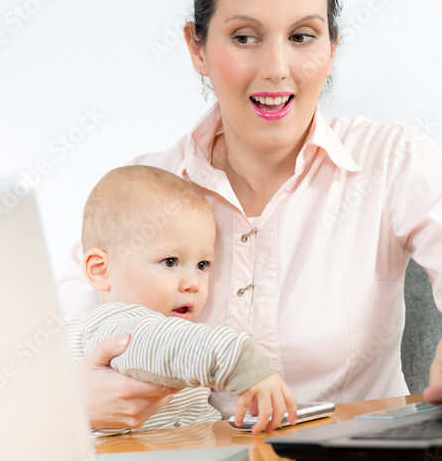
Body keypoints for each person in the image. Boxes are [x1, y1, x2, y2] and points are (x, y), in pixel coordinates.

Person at [61, 0, 442, 430]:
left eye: (302, 36)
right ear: (197, 46)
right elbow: (46, 348)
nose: (276, 68)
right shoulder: (143, 190)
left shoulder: (392, 161)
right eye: (244, 37)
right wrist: (64, 403)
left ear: (331, 47)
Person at [67, 165, 297, 435]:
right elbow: (161, 342)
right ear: (102, 270)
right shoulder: (112, 327)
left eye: (202, 265)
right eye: (170, 261)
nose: (192, 284)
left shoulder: (174, 334)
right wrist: (241, 361)